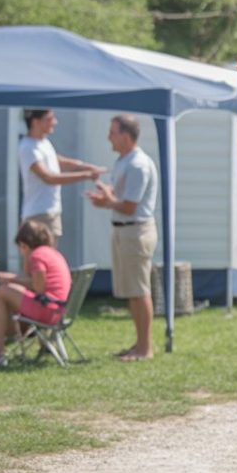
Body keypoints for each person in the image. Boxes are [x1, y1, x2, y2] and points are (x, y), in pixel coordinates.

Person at [84, 115, 158, 362]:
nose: (108, 137)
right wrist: (105, 196)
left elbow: (128, 206)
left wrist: (107, 202)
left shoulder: (137, 164)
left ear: (126, 136)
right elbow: (120, 197)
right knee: (131, 291)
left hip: (135, 230)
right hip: (124, 230)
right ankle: (139, 344)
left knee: (140, 290)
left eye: (112, 132)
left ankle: (145, 349)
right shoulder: (124, 161)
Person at [0, 219, 71, 367]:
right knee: (3, 294)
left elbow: (39, 287)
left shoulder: (37, 256)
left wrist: (13, 280)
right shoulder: (52, 253)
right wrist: (14, 281)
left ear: (24, 244)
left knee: (0, 292)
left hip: (47, 309)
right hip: (57, 310)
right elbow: (38, 285)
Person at [18, 108, 104, 241]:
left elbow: (57, 160)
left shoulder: (43, 142)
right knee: (41, 258)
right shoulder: (28, 147)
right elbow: (49, 178)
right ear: (35, 122)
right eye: (49, 119)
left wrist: (86, 166)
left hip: (50, 212)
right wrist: (87, 175)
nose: (55, 122)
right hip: (39, 214)